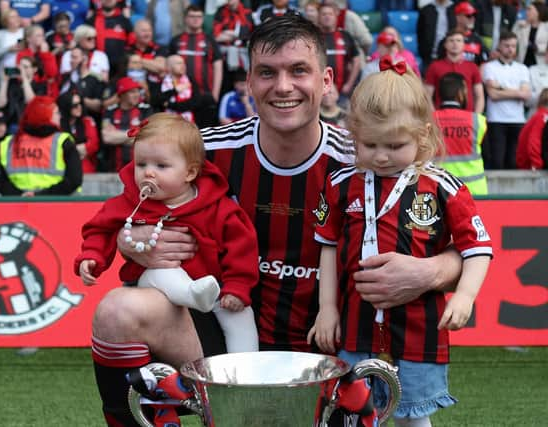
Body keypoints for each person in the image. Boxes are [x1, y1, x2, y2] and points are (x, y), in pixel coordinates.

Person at [89, 15, 464, 427]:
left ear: (326, 80)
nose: (283, 86)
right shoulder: (202, 153)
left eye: (298, 70)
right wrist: (133, 237)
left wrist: (430, 270)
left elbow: (467, 247)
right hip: (222, 344)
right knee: (117, 310)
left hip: (328, 348)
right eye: (267, 73)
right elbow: (123, 209)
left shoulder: (366, 160)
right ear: (249, 82)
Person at [310, 56, 493, 427]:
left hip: (418, 335)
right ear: (354, 136)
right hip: (355, 329)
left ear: (422, 135)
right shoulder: (339, 184)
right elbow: (327, 248)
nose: (380, 155)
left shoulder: (444, 187)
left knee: (413, 419)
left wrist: (465, 295)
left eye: (394, 145)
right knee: (354, 416)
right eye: (370, 143)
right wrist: (327, 308)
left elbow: (478, 248)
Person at [76, 112, 259, 357]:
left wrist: (237, 287)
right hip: (158, 293)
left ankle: (245, 373)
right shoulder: (129, 203)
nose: (148, 174)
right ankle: (191, 294)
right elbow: (100, 228)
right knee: (161, 271)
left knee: (241, 317)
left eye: (161, 166)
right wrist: (92, 255)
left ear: (190, 173)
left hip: (215, 289)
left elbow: (241, 246)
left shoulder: (218, 207)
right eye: (141, 164)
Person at [0, 95, 83, 196]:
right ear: (45, 116)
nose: (60, 116)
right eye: (57, 113)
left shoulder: (8, 143)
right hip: (58, 205)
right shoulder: (63, 142)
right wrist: (40, 196)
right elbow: (74, 180)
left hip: (19, 206)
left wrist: (20, 196)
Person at [481, 30, 531, 169]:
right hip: (496, 120)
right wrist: (517, 92)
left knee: (514, 162)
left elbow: (526, 95)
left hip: (518, 120)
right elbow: (493, 95)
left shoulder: (522, 68)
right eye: (507, 45)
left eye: (513, 46)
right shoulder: (489, 67)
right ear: (499, 46)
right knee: (497, 162)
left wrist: (501, 87)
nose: (510, 49)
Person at [434, 72, 489, 195]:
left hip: (439, 192)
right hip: (474, 192)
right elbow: (488, 156)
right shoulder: (477, 121)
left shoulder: (428, 122)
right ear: (460, 93)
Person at [169, 5, 223, 128]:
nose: (196, 19)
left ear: (203, 19)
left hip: (205, 96)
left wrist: (215, 94)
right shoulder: (176, 40)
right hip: (183, 97)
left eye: (199, 16)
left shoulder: (210, 40)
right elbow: (170, 68)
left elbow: (218, 67)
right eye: (192, 16)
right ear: (185, 19)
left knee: (206, 137)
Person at [425, 29, 485, 114]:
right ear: (445, 45)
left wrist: (476, 117)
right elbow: (427, 96)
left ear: (464, 45)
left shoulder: (472, 67)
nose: (455, 43)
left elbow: (479, 96)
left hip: (467, 118)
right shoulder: (434, 66)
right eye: (451, 40)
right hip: (442, 117)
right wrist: (434, 116)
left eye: (459, 40)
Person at [100, 76, 152, 172]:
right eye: (132, 92)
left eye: (138, 91)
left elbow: (146, 136)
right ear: (122, 94)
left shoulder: (145, 110)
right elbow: (107, 138)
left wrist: (117, 135)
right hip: (113, 169)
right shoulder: (110, 111)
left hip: (139, 170)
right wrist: (134, 135)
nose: (137, 95)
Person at [57, 90, 100, 173]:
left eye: (80, 104)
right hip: (62, 168)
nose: (79, 107)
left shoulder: (87, 121)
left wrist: (70, 151)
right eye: (75, 105)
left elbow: (94, 145)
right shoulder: (58, 124)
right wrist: (80, 150)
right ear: (66, 107)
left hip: (85, 168)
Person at [154, 54, 200, 123]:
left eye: (183, 63)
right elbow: (157, 101)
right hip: (167, 123)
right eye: (179, 63)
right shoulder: (160, 82)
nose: (183, 66)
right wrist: (175, 90)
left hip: (189, 122)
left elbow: (195, 102)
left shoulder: (190, 80)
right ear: (169, 67)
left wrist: (170, 105)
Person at [0, 8, 24, 86]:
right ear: (5, 20)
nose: (17, 19)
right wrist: (7, 49)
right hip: (6, 72)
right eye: (12, 17)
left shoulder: (25, 32)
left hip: (24, 71)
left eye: (17, 16)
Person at [417, 0, 456, 74]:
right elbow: (420, 34)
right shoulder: (426, 10)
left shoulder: (455, 8)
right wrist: (424, 53)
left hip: (451, 57)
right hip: (430, 57)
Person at [517, 87, 548, 170]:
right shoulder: (543, 117)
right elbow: (534, 141)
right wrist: (537, 163)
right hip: (529, 165)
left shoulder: (539, 115)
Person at [512, 2, 548, 68]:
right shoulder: (519, 24)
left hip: (540, 63)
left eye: (529, 9)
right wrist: (521, 27)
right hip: (521, 62)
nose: (526, 12)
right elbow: (511, 40)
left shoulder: (546, 27)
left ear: (538, 11)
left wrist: (538, 48)